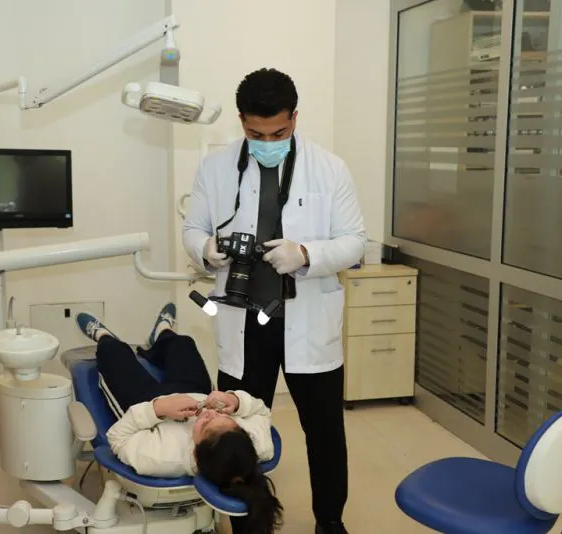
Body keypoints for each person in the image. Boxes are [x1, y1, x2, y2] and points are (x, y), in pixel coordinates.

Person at [182, 68, 366, 534]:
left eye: (279, 133)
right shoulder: (215, 168)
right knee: (238, 431)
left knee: (324, 432)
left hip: (307, 320)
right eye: (255, 133)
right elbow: (193, 228)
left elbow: (354, 242)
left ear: (295, 118)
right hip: (244, 322)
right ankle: (246, 520)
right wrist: (205, 248)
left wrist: (306, 254)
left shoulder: (329, 168)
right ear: (242, 121)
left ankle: (329, 521)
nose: (267, 142)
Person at [76, 304, 284, 534]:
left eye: (205, 425)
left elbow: (117, 437)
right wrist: (234, 401)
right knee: (184, 343)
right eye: (224, 418)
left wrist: (157, 409)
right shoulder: (259, 446)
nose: (210, 413)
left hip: (144, 402)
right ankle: (161, 334)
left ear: (195, 454)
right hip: (195, 393)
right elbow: (261, 411)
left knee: (113, 352)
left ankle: (103, 335)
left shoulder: (161, 458)